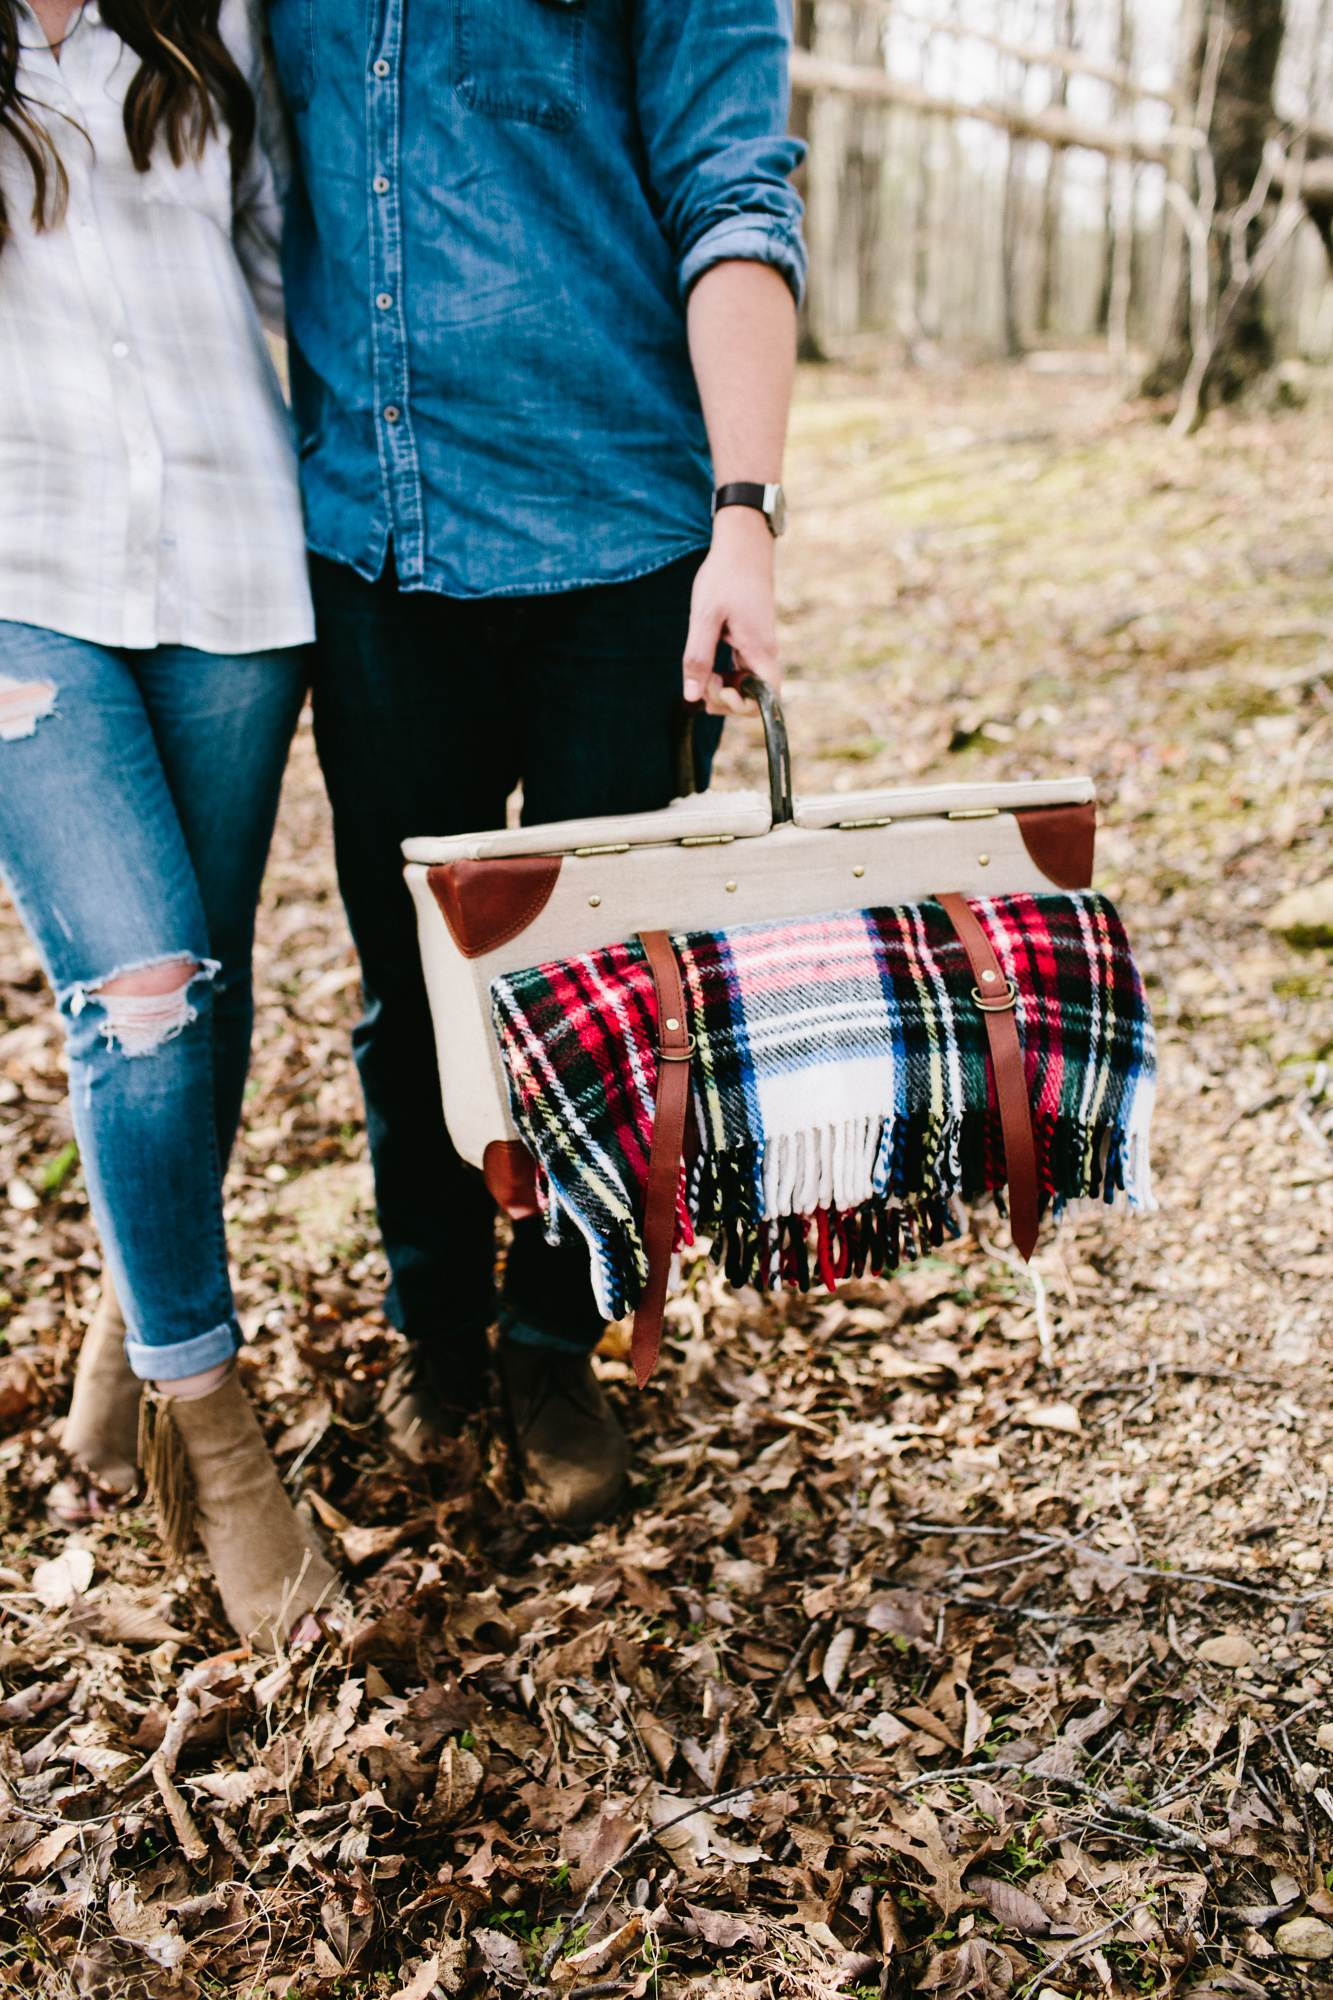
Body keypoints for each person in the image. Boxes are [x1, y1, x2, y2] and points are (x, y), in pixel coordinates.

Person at [269, 0, 805, 1524]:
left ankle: (549, 1343)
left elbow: (734, 193)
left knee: (599, 1003)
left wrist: (745, 519)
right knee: (412, 993)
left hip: (625, 550)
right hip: (375, 558)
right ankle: (433, 1339)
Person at [0, 0, 336, 1644]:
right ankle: (221, 1443)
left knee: (203, 1001)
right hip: (21, 584)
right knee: (139, 996)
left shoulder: (213, 33)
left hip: (232, 574)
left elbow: (290, 278)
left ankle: (120, 1332)